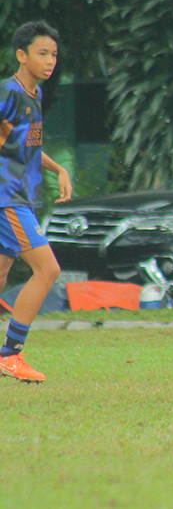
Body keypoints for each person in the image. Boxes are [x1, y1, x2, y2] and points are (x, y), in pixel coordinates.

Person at [0, 21, 73, 383]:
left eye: (54, 54)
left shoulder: (34, 96)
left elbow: (28, 146)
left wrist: (58, 168)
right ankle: (11, 354)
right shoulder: (9, 94)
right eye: (42, 53)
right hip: (7, 199)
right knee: (48, 271)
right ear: (21, 55)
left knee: (0, 273)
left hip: (19, 198)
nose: (50, 61)